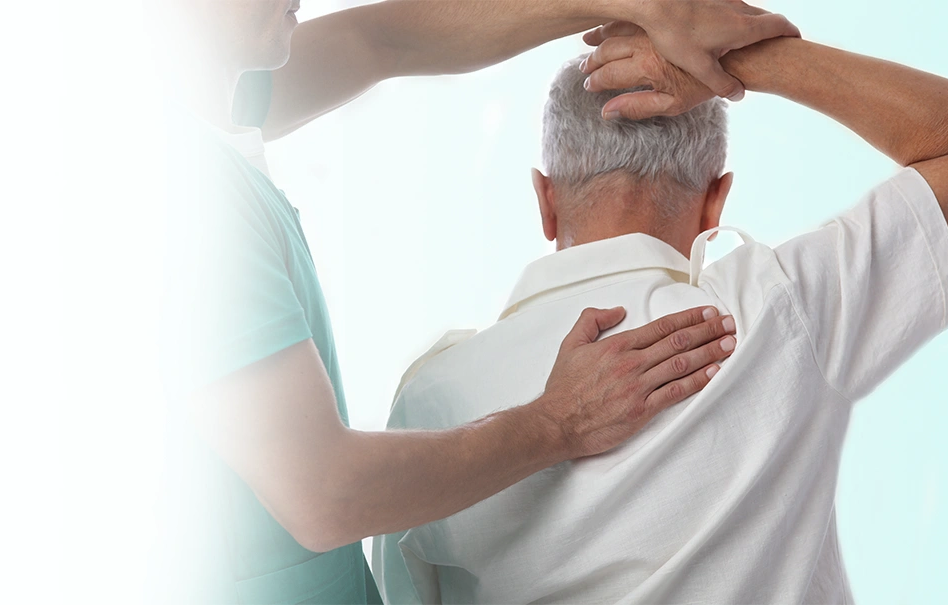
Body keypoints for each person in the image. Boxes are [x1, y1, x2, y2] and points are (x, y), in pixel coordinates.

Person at [160, 1, 799, 603]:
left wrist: (651, 10)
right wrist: (559, 421)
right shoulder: (177, 186)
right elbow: (321, 493)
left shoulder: (220, 116)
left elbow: (382, 38)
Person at [370, 25, 948, 605]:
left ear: (545, 200)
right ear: (716, 200)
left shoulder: (429, 399)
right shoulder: (777, 306)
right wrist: (738, 58)